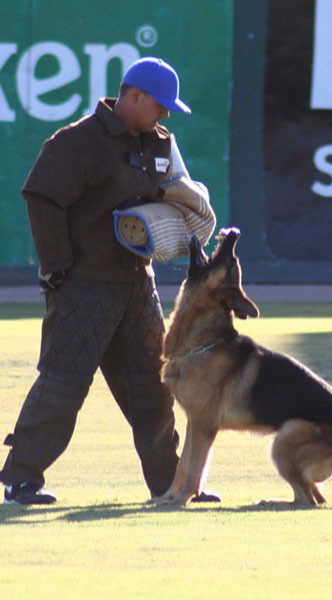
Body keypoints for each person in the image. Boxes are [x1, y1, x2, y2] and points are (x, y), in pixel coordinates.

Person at [1, 57, 219, 505]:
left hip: (137, 284)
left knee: (154, 385)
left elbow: (184, 194)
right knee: (64, 382)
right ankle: (21, 480)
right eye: (160, 105)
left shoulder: (159, 143)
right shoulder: (78, 142)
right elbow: (41, 198)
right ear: (133, 96)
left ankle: (169, 483)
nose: (165, 114)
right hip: (84, 283)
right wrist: (57, 267)